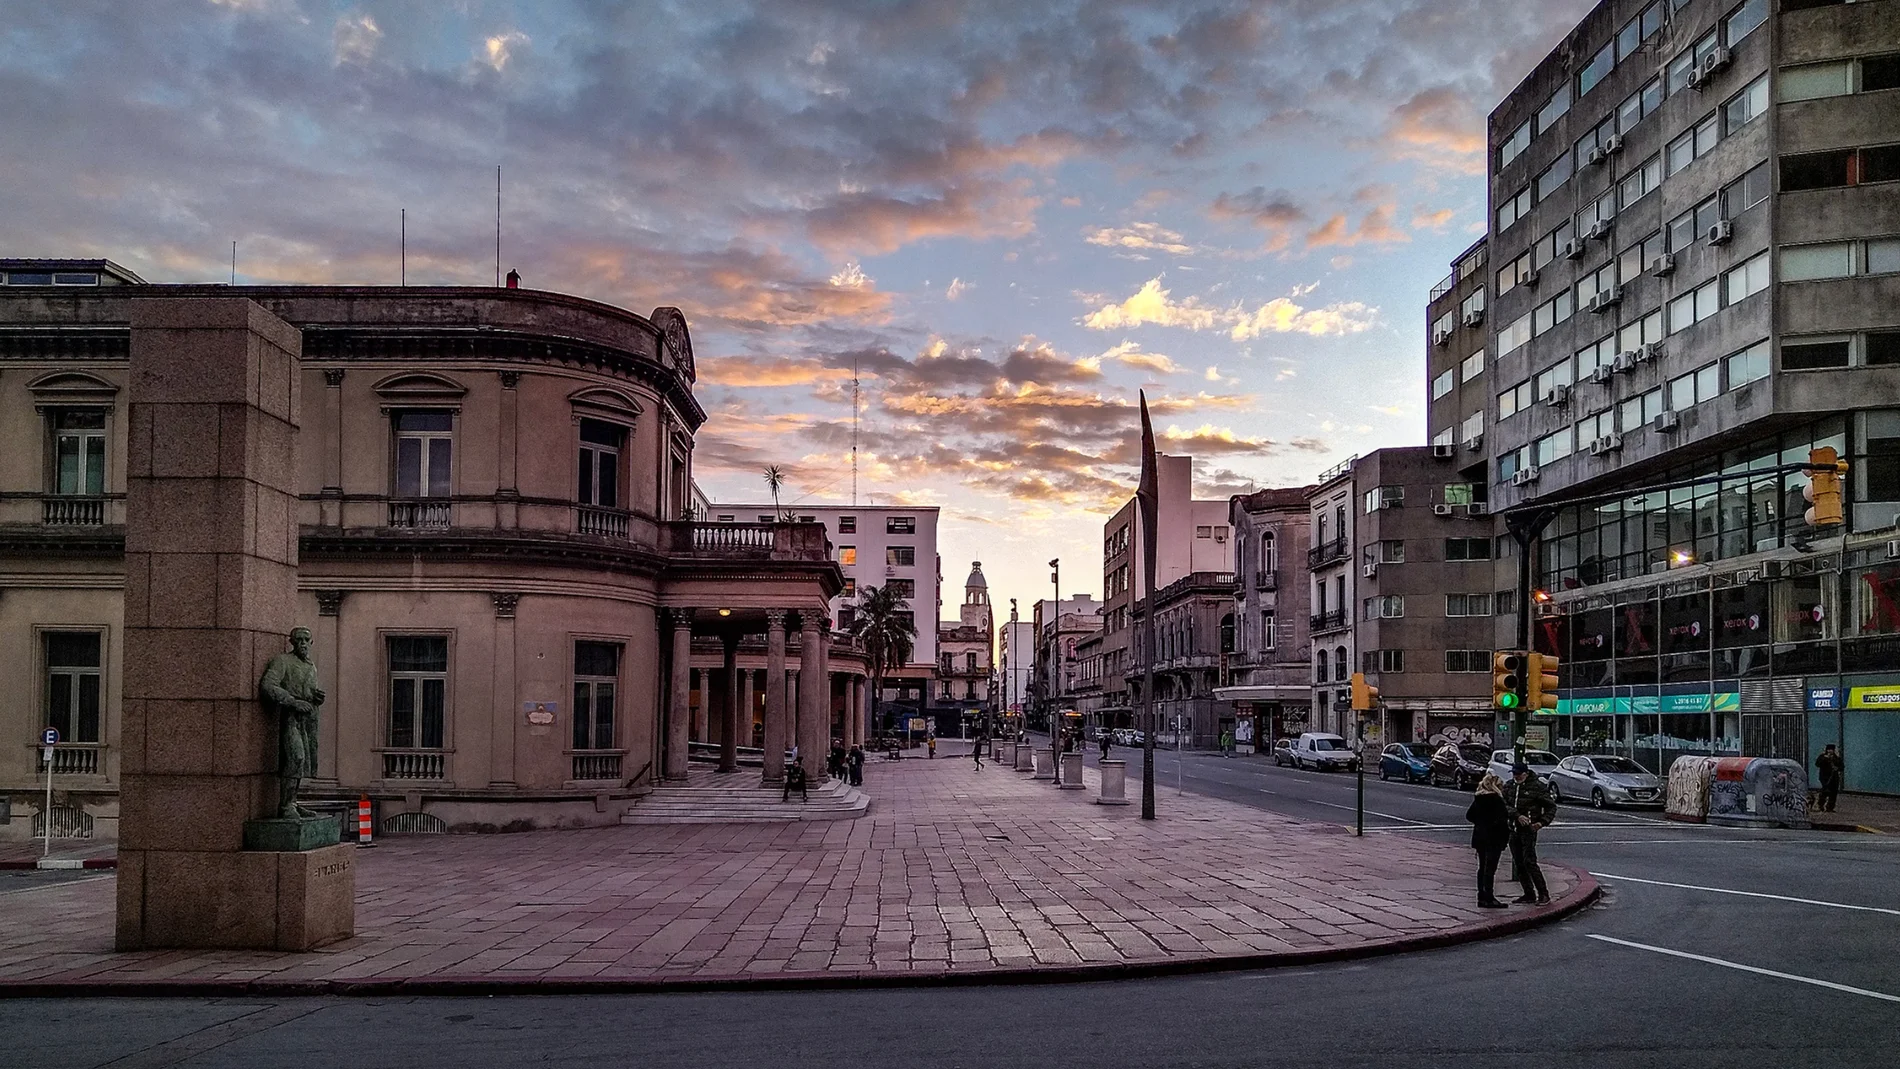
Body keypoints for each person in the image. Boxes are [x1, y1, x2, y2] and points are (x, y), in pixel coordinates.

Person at [1501, 761, 1554, 905]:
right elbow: (1503, 804)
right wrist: (1516, 815)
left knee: (1529, 862)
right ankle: (1528, 893)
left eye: (1518, 774)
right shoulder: (1509, 786)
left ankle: (1543, 894)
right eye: (1514, 774)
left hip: (1528, 831)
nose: (1516, 777)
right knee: (1519, 863)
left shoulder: (1537, 787)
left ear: (1526, 773)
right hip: (1513, 829)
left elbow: (1551, 807)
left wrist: (1541, 823)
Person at [1465, 774, 1512, 909]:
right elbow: (1502, 820)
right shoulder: (1496, 800)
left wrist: (1481, 824)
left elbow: (1469, 815)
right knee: (1490, 868)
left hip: (1480, 837)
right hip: (1494, 838)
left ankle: (1481, 896)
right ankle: (1489, 897)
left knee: (1482, 867)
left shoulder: (1479, 799)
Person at [1816, 744, 1844, 812]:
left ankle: (1830, 807)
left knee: (1833, 793)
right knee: (1825, 791)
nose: (1830, 751)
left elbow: (1842, 766)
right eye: (1828, 749)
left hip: (1834, 777)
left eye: (1831, 750)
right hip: (1824, 777)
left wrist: (1837, 768)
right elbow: (1817, 764)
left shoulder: (1836, 758)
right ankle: (1820, 805)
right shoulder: (1822, 757)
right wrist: (1825, 758)